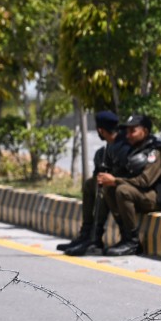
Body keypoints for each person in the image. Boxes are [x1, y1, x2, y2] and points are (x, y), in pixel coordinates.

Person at [97, 113, 161, 255]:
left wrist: (115, 180)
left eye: (133, 131)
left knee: (122, 190)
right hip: (144, 193)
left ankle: (133, 242)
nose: (128, 135)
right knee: (109, 189)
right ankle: (124, 236)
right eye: (127, 131)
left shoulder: (157, 150)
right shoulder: (135, 148)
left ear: (145, 131)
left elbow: (144, 181)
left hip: (159, 196)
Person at [61, 110, 128, 256]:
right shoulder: (110, 145)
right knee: (90, 184)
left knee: (102, 188)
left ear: (100, 130)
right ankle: (86, 233)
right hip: (118, 184)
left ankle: (95, 238)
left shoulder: (123, 144)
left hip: (127, 186)